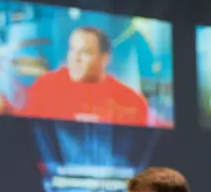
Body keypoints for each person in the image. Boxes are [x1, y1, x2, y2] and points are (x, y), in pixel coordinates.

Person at [12, 27, 149, 126]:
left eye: (85, 52)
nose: (75, 59)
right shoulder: (45, 86)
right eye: (72, 50)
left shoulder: (131, 102)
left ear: (104, 59)